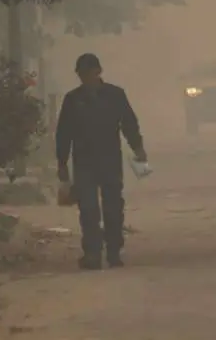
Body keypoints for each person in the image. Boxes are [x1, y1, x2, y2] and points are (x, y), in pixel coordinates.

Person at [55, 53, 147, 270]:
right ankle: (92, 253)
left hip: (109, 160)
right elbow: (63, 134)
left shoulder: (115, 96)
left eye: (89, 73)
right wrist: (62, 163)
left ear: (99, 72)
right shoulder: (73, 100)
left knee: (113, 208)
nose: (86, 78)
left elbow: (129, 124)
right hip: (84, 162)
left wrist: (138, 148)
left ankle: (114, 251)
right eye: (82, 75)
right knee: (88, 210)